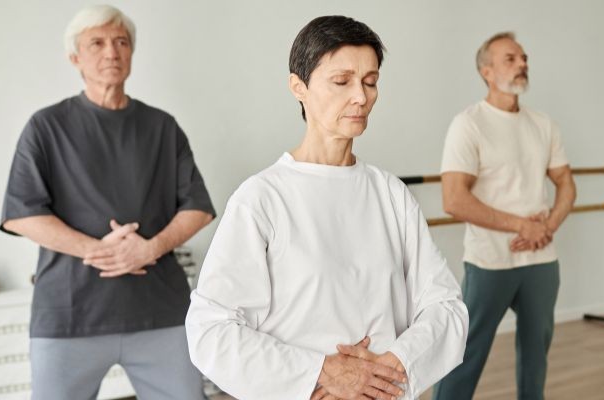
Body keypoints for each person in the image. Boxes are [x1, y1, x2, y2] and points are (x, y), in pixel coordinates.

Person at [185, 15, 468, 400]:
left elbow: (446, 307)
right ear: (298, 87)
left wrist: (394, 365)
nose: (361, 96)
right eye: (342, 81)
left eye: (370, 82)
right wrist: (318, 374)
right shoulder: (262, 199)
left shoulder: (390, 194)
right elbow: (210, 329)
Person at [0, 5, 215, 399]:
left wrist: (149, 248)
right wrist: (100, 251)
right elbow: (21, 214)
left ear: (131, 52)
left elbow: (198, 206)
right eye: (96, 43)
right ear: (75, 58)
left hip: (160, 312)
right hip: (69, 316)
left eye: (121, 42)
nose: (111, 52)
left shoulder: (162, 127)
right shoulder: (45, 127)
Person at [433, 32, 576, 400]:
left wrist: (547, 227)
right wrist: (521, 224)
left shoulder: (543, 123)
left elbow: (566, 183)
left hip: (541, 260)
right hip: (490, 261)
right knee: (466, 352)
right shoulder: (468, 124)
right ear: (487, 71)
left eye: (524, 57)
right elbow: (454, 199)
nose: (522, 63)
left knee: (535, 356)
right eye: (510, 58)